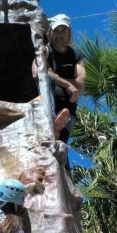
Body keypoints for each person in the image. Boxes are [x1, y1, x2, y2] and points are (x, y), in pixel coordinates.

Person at [46, 14, 86, 144]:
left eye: (64, 30)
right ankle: (53, 122)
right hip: (50, 104)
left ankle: (57, 128)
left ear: (69, 33)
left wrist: (58, 78)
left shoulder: (77, 55)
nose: (60, 34)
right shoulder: (46, 51)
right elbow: (45, 72)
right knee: (47, 79)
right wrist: (68, 85)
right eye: (56, 31)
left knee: (61, 145)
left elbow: (80, 83)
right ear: (50, 34)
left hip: (69, 108)